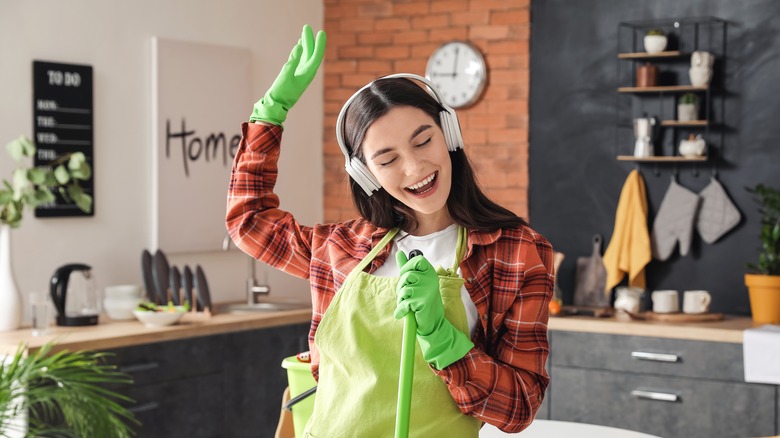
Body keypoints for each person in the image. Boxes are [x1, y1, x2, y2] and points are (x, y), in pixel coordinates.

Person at [226, 25, 553, 436]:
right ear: (366, 175)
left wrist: (443, 338)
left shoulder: (516, 252)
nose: (415, 169)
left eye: (423, 141)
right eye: (387, 159)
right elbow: (248, 221)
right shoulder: (341, 248)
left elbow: (518, 408)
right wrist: (269, 115)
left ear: (449, 134)